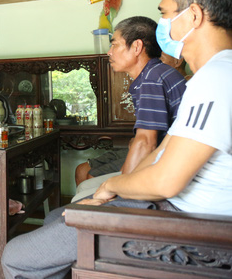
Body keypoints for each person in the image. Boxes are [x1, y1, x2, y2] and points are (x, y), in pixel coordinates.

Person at [2, 0, 232, 279]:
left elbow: (164, 177)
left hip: (183, 224)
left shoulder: (215, 78)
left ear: (194, 16)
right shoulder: (206, 77)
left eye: (165, 15)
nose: (162, 26)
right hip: (173, 207)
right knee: (58, 216)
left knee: (15, 255)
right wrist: (118, 190)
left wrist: (112, 187)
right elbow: (162, 152)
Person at [73, 17, 187, 196]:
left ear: (136, 47)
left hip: (171, 169)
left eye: (114, 45)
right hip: (164, 162)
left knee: (84, 195)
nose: (109, 52)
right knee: (84, 188)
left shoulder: (151, 78)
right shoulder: (153, 74)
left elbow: (146, 142)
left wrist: (119, 187)